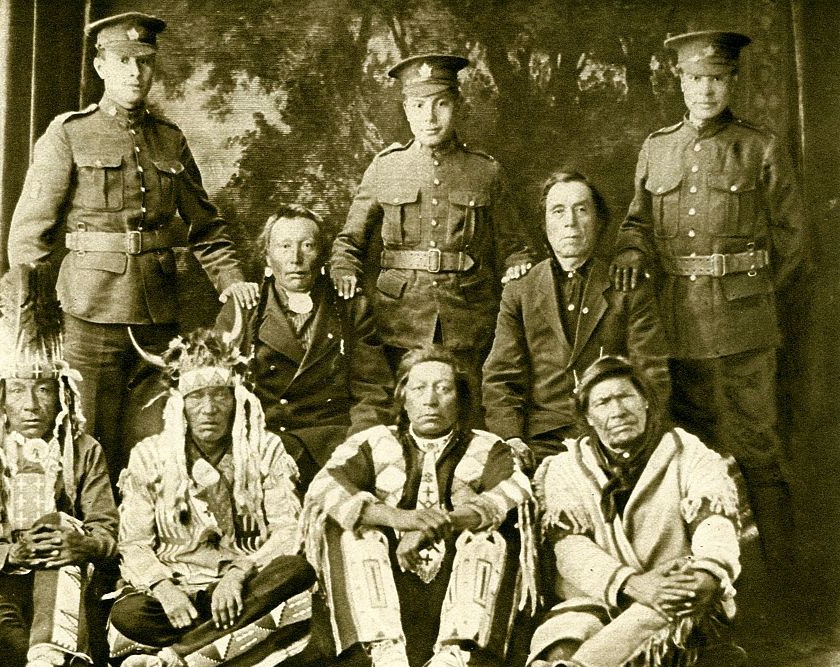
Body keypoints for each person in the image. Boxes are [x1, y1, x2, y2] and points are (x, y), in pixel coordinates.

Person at [6, 12, 258, 481]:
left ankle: (145, 543)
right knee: (86, 439)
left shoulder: (169, 140)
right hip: (88, 313)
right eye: (122, 60)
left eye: (143, 61)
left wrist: (232, 279)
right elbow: (28, 234)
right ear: (100, 66)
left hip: (158, 317)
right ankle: (90, 544)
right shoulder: (70, 133)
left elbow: (206, 226)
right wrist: (30, 312)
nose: (134, 72)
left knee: (155, 443)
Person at [611, 31, 806, 576]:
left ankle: (785, 583)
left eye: (717, 79)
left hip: (745, 331)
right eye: (696, 79)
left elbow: (794, 240)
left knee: (759, 450)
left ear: (732, 82)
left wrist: (750, 290)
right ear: (679, 81)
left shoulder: (759, 147)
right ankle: (697, 578)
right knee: (682, 454)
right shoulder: (657, 147)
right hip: (675, 329)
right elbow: (636, 223)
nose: (706, 89)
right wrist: (629, 249)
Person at [301, 346, 538, 667]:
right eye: (419, 389)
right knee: (353, 532)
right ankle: (383, 649)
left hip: (457, 593)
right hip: (391, 589)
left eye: (443, 388)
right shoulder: (373, 442)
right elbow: (323, 486)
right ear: (403, 399)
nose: (431, 400)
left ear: (459, 398)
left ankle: (456, 652)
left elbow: (516, 489)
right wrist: (405, 520)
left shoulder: (488, 446)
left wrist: (441, 524)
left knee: (490, 536)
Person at [0, 263, 119, 667]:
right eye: (19, 390)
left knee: (58, 531)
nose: (31, 404)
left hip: (67, 574)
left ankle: (45, 657)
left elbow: (108, 529)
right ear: (0, 397)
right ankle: (68, 646)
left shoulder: (84, 449)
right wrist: (11, 551)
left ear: (63, 394)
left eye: (43, 389)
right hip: (2, 577)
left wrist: (81, 543)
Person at [108, 328, 316, 667]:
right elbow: (134, 543)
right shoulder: (150, 456)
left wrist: (238, 574)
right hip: (180, 593)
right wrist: (162, 588)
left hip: (247, 587)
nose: (209, 409)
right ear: (180, 405)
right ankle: (233, 644)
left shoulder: (265, 451)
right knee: (128, 615)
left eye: (220, 395)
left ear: (238, 399)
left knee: (295, 572)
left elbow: (287, 530)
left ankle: (169, 660)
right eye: (197, 397)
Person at [329, 54, 529, 420]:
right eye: (419, 106)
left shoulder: (485, 171)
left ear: (458, 107)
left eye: (441, 104)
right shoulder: (386, 167)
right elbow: (348, 243)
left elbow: (516, 247)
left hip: (468, 316)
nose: (430, 117)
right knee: (399, 418)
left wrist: (518, 268)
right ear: (407, 111)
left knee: (467, 416)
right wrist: (344, 270)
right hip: (398, 320)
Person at [528, 355, 740, 667]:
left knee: (677, 607)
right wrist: (630, 583)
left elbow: (715, 518)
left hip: (674, 588)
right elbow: (569, 549)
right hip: (602, 593)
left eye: (625, 397)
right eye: (603, 402)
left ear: (644, 402)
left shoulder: (688, 453)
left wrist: (709, 570)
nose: (617, 410)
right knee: (567, 627)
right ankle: (562, 663)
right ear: (588, 418)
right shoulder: (565, 468)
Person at [482, 172, 670, 471]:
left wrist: (636, 434)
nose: (570, 221)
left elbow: (651, 372)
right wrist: (511, 438)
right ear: (544, 224)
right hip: (541, 440)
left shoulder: (628, 288)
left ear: (598, 221)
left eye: (581, 209)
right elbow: (501, 377)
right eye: (558, 211)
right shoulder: (521, 289)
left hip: (613, 433)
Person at [215, 204, 393, 493]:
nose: (296, 258)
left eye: (307, 245)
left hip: (335, 445)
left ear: (322, 255)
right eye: (284, 246)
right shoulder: (244, 308)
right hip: (266, 445)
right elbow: (218, 389)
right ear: (268, 257)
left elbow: (373, 390)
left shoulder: (349, 306)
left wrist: (357, 447)